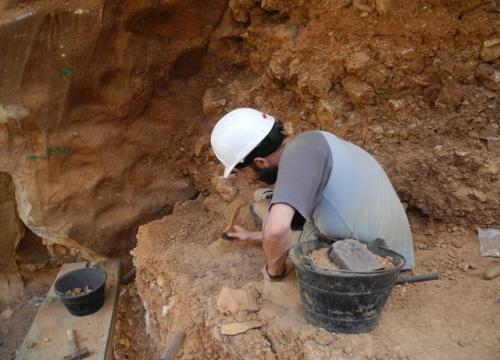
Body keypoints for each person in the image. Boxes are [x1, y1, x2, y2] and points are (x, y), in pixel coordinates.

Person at [210, 108, 414, 281]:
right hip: (387, 235)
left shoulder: (296, 160)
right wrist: (252, 236)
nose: (247, 178)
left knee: (265, 208)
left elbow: (276, 230)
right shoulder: (308, 143)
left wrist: (276, 271)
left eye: (244, 171)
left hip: (371, 257)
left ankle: (287, 256)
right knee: (264, 196)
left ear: (261, 162)